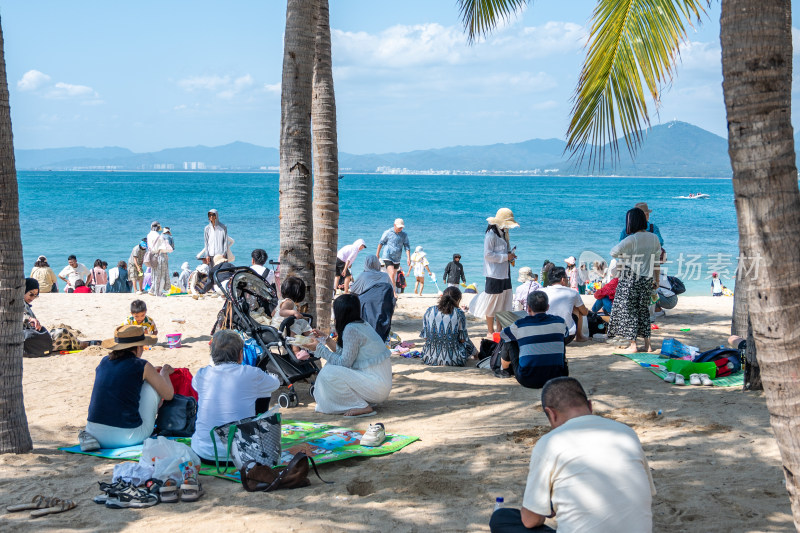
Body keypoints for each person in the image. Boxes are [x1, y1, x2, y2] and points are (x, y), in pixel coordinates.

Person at [489, 377, 655, 533]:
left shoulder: (550, 442)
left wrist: (545, 509)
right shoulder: (627, 433)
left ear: (551, 414)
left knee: (501, 519)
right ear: (590, 406)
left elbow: (530, 521)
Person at [79, 324, 175, 450]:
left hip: (94, 434)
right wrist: (164, 373)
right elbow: (169, 395)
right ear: (137, 347)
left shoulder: (104, 361)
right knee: (150, 388)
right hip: (126, 437)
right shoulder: (142, 365)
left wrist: (150, 373)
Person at [190, 330, 281, 462]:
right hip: (244, 455)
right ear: (240, 354)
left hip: (205, 453)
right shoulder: (251, 373)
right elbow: (274, 385)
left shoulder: (202, 374)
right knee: (263, 391)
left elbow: (196, 387)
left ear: (213, 354)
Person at [308, 294, 392, 417]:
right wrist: (326, 340)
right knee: (330, 366)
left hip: (376, 386)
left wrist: (319, 348)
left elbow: (344, 363)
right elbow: (345, 354)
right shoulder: (361, 324)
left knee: (328, 372)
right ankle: (360, 403)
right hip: (378, 385)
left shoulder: (351, 329)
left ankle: (362, 406)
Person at [608, 207, 662, 353]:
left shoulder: (631, 239)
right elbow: (656, 262)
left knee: (629, 311)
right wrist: (656, 281)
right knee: (643, 311)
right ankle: (648, 345)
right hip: (647, 279)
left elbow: (613, 252)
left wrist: (626, 258)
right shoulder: (654, 238)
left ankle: (633, 345)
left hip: (630, 278)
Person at [499, 291, 569, 389]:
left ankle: (505, 370)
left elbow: (503, 335)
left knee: (509, 340)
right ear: (547, 307)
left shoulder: (520, 324)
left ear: (528, 308)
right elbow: (566, 334)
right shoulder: (560, 321)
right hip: (559, 377)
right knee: (559, 338)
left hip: (528, 379)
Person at [473, 208, 518, 335]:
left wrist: (510, 255)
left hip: (505, 272)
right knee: (492, 302)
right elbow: (487, 255)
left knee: (504, 301)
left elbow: (500, 252)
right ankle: (490, 330)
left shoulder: (504, 233)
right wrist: (505, 257)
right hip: (494, 273)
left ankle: (499, 330)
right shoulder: (491, 235)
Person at [420, 286, 475, 366]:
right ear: (458, 299)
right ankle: (476, 354)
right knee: (468, 343)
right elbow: (463, 339)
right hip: (454, 360)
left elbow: (426, 337)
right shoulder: (459, 313)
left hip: (429, 357)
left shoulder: (429, 311)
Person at [542, 267, 589, 344]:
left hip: (545, 335)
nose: (568, 280)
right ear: (563, 279)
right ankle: (580, 336)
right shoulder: (573, 293)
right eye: (567, 278)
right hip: (566, 336)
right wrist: (586, 310)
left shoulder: (541, 292)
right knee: (578, 309)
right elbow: (584, 312)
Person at [376, 218, 411, 293]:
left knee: (393, 276)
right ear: (394, 225)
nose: (400, 229)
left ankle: (388, 290)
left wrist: (408, 258)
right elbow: (380, 243)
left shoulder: (404, 235)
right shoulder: (388, 232)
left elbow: (407, 246)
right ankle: (393, 293)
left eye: (402, 227)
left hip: (397, 258)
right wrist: (377, 254)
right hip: (387, 256)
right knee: (391, 274)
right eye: (399, 227)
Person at [22, 278, 53, 357]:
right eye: (31, 294)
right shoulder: (17, 303)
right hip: (27, 340)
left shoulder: (25, 305)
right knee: (61, 333)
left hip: (32, 337)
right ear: (23, 290)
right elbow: (16, 314)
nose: (32, 298)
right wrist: (29, 319)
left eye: (35, 296)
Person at [147, 221, 172, 297]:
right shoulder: (159, 236)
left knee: (154, 274)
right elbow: (165, 248)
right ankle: (158, 293)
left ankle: (152, 290)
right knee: (160, 276)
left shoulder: (149, 235)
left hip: (152, 256)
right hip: (160, 256)